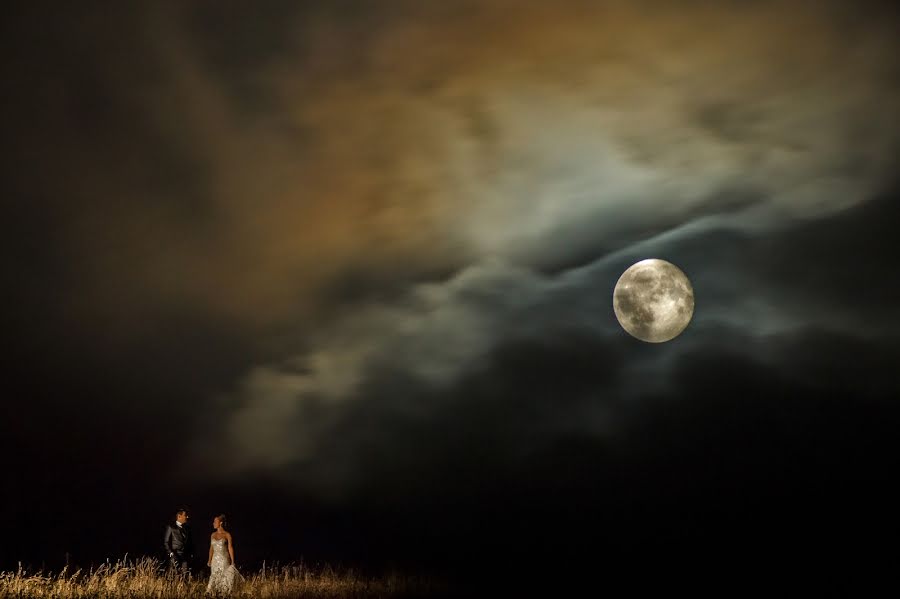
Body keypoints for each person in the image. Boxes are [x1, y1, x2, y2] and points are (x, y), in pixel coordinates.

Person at [206, 513, 242, 595]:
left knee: (224, 578)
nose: (213, 523)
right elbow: (211, 548)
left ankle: (223, 594)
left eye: (215, 521)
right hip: (215, 560)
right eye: (213, 521)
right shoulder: (213, 535)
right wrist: (209, 560)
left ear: (221, 522)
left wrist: (233, 561)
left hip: (224, 560)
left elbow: (230, 548)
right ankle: (212, 593)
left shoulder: (227, 535)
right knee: (214, 576)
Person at [163, 507, 194, 575]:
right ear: (179, 516)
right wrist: (171, 553)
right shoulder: (171, 527)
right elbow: (166, 542)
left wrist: (190, 553)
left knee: (184, 575)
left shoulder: (187, 528)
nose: (187, 517)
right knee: (173, 575)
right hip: (175, 554)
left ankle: (182, 585)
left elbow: (189, 542)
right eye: (185, 515)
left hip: (185, 555)